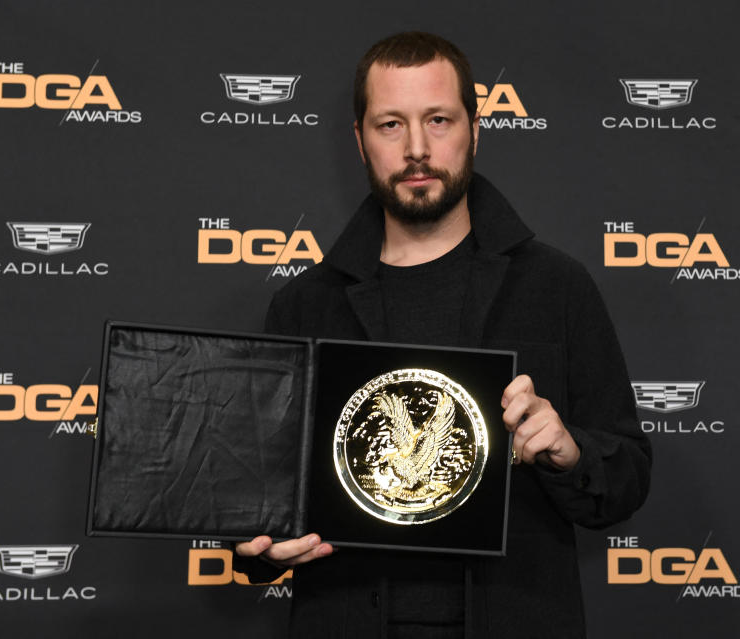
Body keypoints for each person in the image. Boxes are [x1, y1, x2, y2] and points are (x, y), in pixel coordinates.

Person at [234, 31, 651, 639]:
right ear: (360, 141)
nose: (418, 149)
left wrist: (569, 451)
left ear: (475, 130)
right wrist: (260, 550)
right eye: (390, 125)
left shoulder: (557, 287)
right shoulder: (303, 306)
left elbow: (627, 481)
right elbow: (252, 508)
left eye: (438, 119)